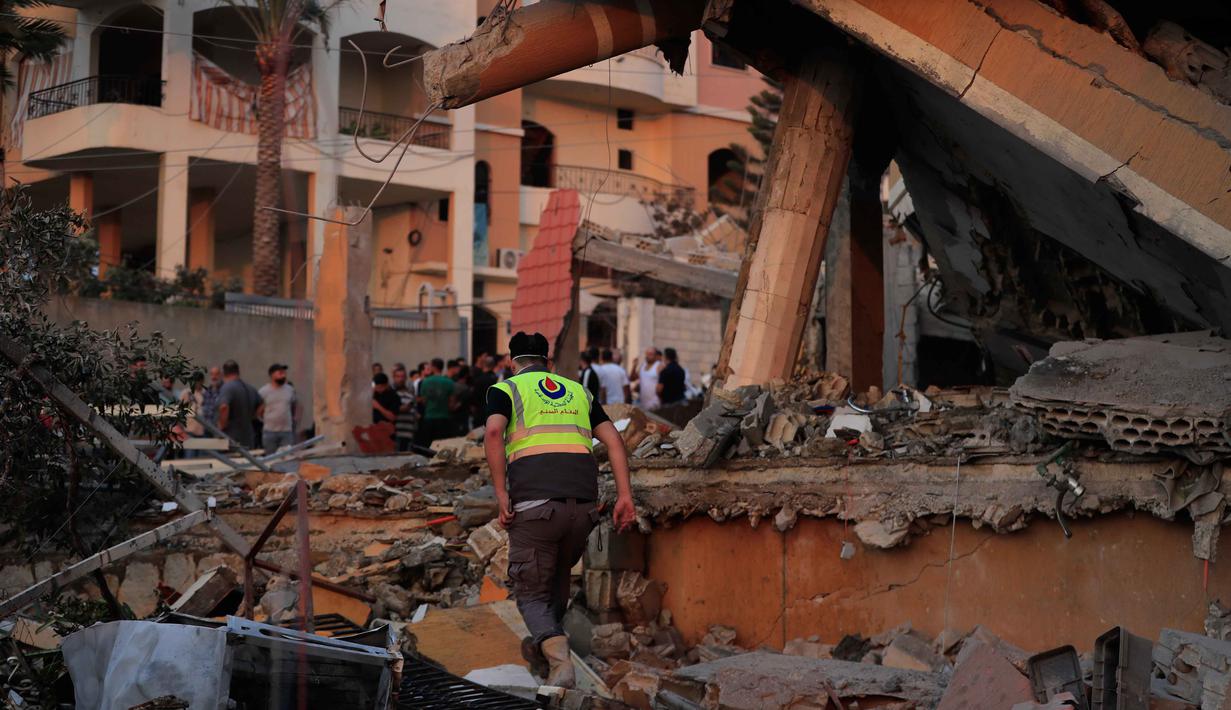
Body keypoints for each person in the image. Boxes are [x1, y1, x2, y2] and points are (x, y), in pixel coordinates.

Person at [484, 332, 636, 688]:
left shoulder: (506, 390)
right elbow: (614, 440)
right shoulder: (578, 391)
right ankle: (544, 653)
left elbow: (493, 433)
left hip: (536, 506)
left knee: (531, 592)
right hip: (582, 508)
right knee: (555, 582)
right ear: (548, 363)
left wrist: (501, 493)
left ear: (512, 362)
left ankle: (560, 663)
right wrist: (625, 496)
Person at [217, 360, 261, 448]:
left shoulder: (227, 388)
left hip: (231, 437)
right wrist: (253, 416)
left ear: (224, 373)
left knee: (229, 461)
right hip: (248, 436)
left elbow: (224, 407)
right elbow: (261, 404)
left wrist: (222, 425)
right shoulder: (250, 388)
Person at [415, 358, 456, 448]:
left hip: (429, 418)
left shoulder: (425, 382)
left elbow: (424, 401)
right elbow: (452, 404)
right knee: (442, 447)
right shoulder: (449, 382)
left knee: (428, 447)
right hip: (444, 418)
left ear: (433, 367)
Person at [257, 363, 298, 453]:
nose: (283, 375)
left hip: (286, 432)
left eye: (284, 373)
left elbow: (293, 405)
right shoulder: (263, 391)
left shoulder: (290, 390)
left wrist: (294, 418)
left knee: (287, 459)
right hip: (270, 432)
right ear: (272, 375)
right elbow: (258, 411)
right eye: (280, 373)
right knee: (271, 459)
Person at [392, 365, 419, 452]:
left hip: (409, 432)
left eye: (402, 376)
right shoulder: (391, 393)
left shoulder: (410, 394)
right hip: (396, 433)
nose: (400, 379)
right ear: (394, 377)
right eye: (398, 376)